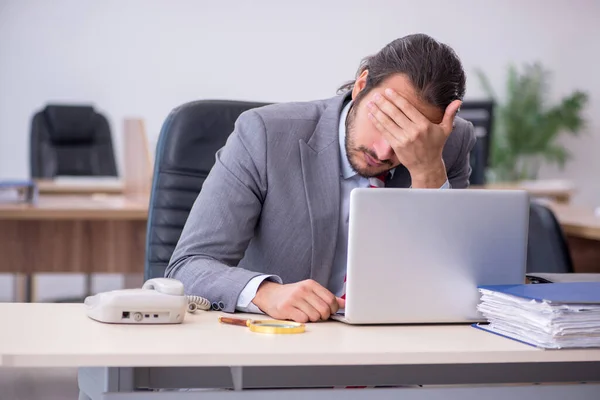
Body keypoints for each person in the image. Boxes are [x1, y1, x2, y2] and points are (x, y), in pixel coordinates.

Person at [165, 33, 476, 323]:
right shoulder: (263, 134)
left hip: (393, 356)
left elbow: (456, 286)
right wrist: (265, 293)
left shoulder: (447, 146)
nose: (384, 151)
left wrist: (428, 173)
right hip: (283, 354)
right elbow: (188, 268)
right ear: (361, 85)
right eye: (384, 121)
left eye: (408, 135)